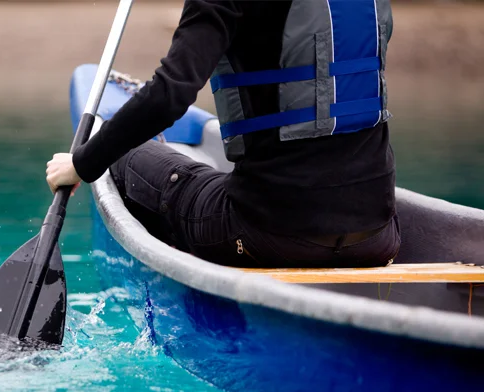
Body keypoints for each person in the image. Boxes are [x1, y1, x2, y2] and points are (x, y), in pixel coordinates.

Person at [46, 0, 400, 268]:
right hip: (378, 234)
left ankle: (178, 276)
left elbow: (168, 96)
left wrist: (83, 163)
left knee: (123, 155)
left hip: (266, 233)